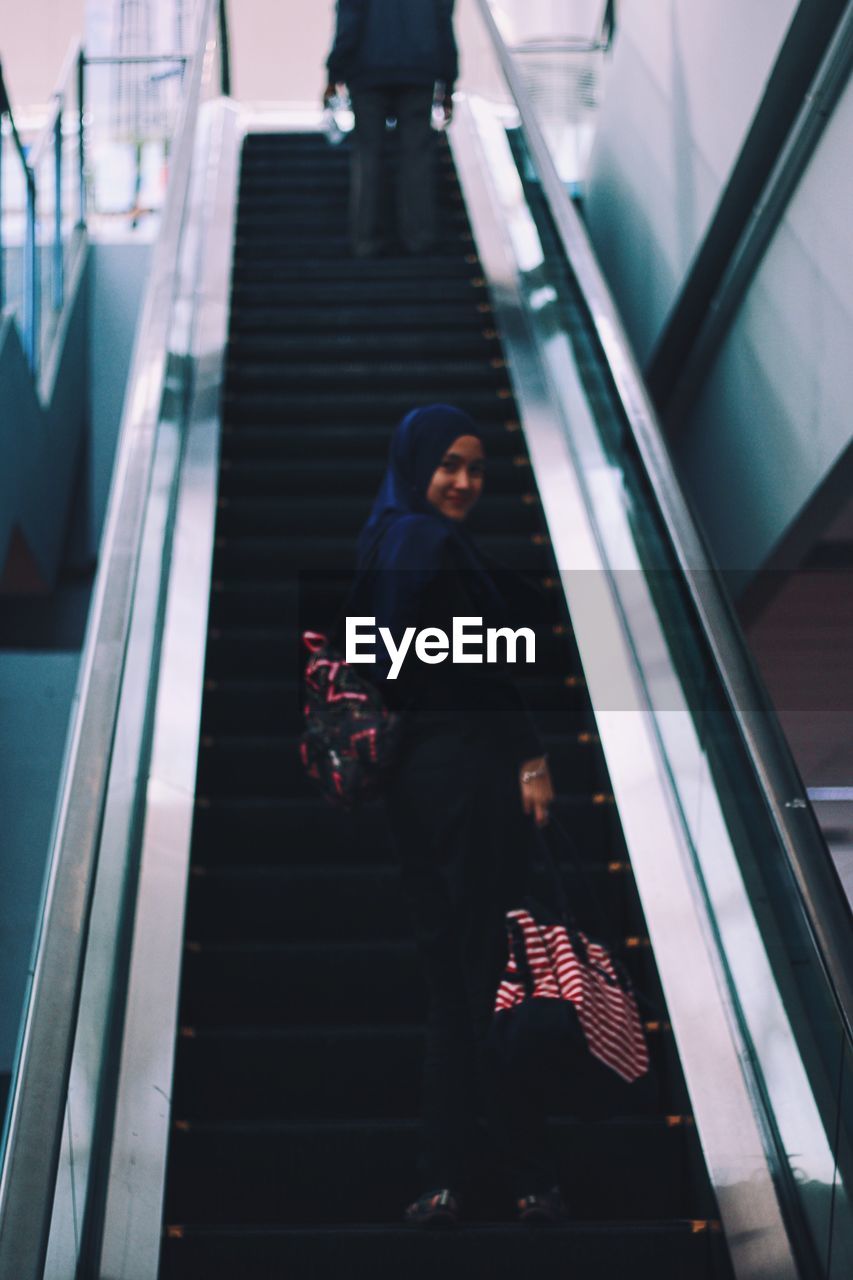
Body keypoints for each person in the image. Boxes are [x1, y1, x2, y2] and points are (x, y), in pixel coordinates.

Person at [349, 404, 566, 1224]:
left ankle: (444, 1175)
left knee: (452, 983)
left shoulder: (384, 538)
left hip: (414, 784)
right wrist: (531, 755)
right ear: (417, 464)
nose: (465, 483)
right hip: (465, 778)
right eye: (449, 465)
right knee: (491, 975)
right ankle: (524, 1176)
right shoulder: (429, 545)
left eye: (476, 468)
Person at [323, 0, 458, 257]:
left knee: (368, 154)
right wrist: (448, 82)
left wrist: (334, 71)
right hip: (420, 70)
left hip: (366, 70)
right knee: (416, 156)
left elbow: (349, 21)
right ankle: (419, 237)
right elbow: (444, 25)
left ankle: (366, 239)